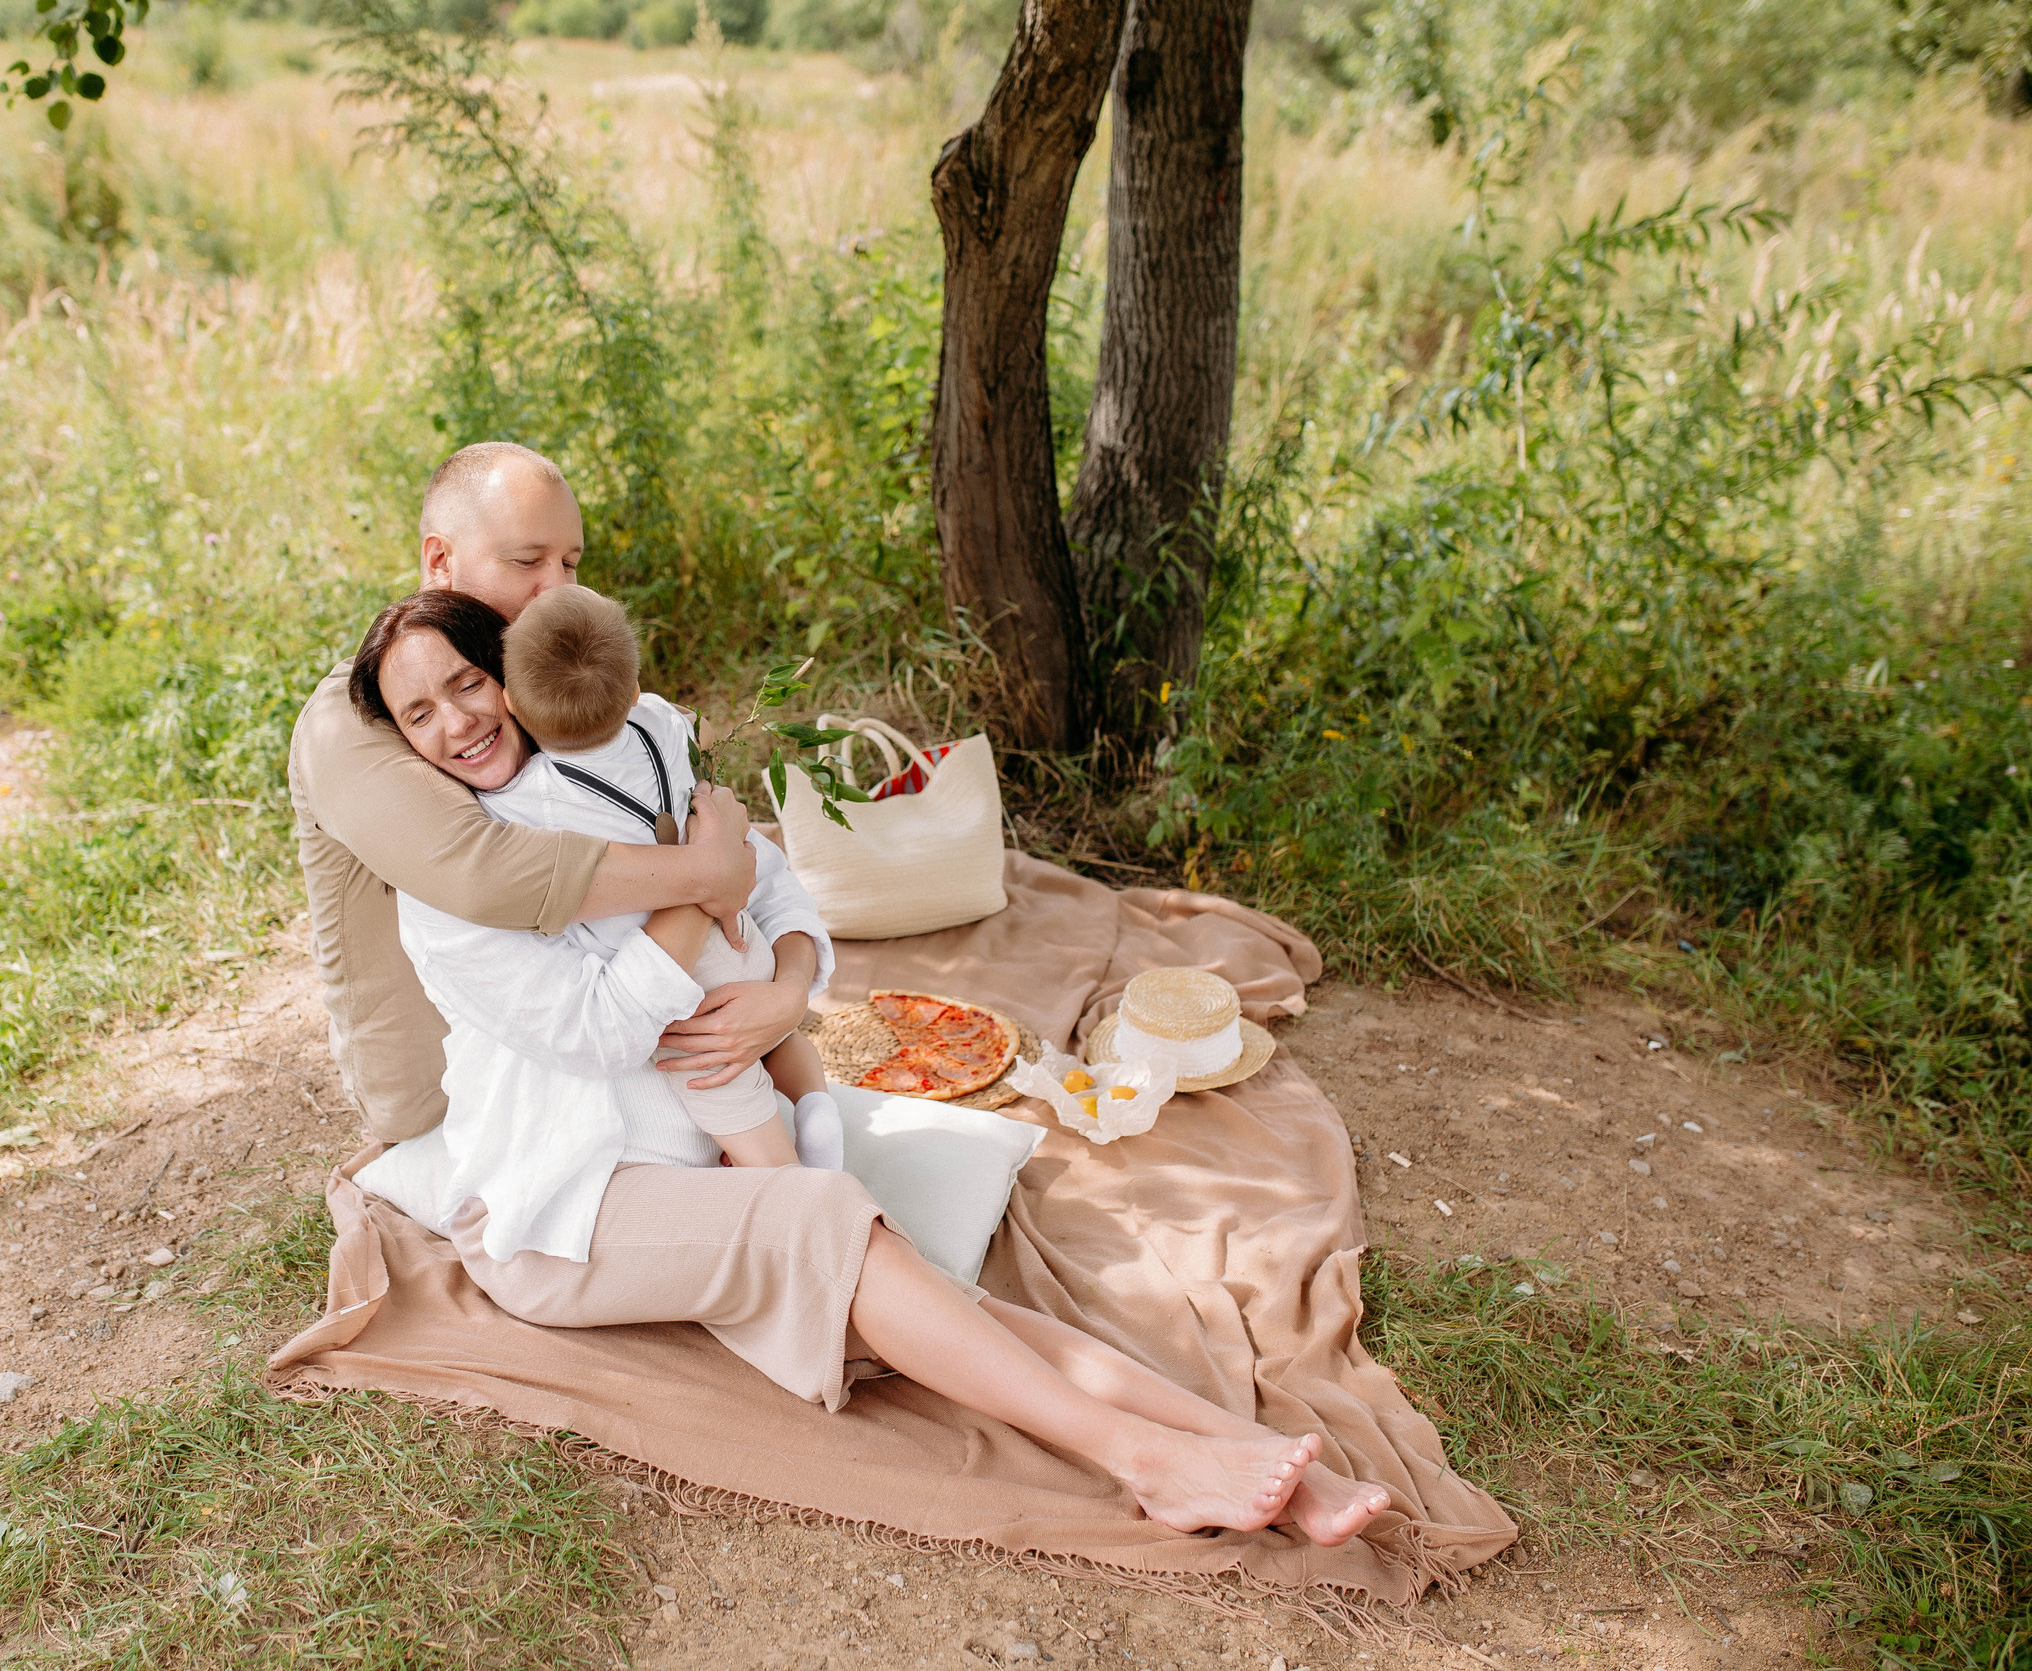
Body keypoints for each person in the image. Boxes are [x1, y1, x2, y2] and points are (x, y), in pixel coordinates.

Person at [345, 585, 1397, 1544]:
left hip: (701, 1164)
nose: (457, 724)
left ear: (517, 678)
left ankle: (1232, 1446)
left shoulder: (627, 763)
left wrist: (787, 988)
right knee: (827, 1224)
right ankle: (1145, 1460)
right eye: (419, 714)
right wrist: (693, 882)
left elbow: (778, 894)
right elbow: (602, 1032)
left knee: (929, 1294)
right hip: (563, 1213)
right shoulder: (460, 885)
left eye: (468, 684)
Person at [285, 441, 820, 1144]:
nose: (558, 589)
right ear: (440, 560)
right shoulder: (352, 722)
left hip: (620, 1040)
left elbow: (683, 801)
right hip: (465, 1108)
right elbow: (488, 870)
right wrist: (709, 870)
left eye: (570, 563)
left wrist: (785, 995)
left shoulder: (519, 684)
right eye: (527, 561)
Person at [495, 583, 841, 1172]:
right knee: (777, 1035)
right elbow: (686, 726)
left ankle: (785, 1173)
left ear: (511, 706)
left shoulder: (529, 802)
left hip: (681, 985)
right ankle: (816, 1103)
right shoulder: (660, 723)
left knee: (724, 1086)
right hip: (742, 937)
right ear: (632, 691)